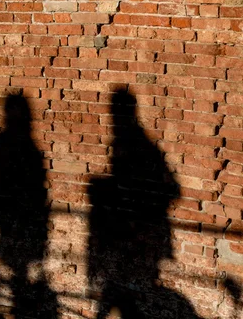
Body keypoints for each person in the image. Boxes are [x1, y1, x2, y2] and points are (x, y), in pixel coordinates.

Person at [88, 89, 200, 319]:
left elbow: (172, 190)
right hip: (128, 228)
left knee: (128, 290)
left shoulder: (137, 143)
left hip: (135, 228)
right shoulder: (125, 142)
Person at [0, 94, 58, 318]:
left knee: (15, 268)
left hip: (16, 210)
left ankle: (16, 304)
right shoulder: (21, 144)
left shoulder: (11, 142)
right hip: (17, 210)